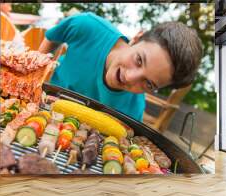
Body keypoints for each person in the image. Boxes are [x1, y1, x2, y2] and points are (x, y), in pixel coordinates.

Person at [39, 12, 202, 121]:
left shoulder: (132, 113)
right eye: (139, 59)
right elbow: (52, 37)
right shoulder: (88, 25)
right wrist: (37, 74)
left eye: (149, 83)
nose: (130, 77)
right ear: (137, 38)